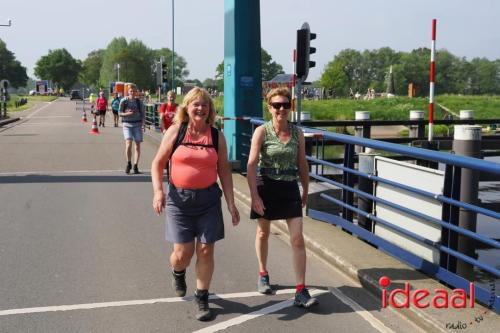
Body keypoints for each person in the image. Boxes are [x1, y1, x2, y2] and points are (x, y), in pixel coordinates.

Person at [151, 87, 240, 321]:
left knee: (205, 249)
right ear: (187, 107)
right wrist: (158, 191)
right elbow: (157, 164)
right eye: (195, 104)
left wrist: (231, 203)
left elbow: (225, 171)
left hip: (208, 201)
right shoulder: (175, 131)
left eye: (205, 105)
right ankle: (178, 271)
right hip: (179, 201)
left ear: (210, 109)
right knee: (183, 253)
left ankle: (202, 297)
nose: (200, 108)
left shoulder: (216, 136)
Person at [246, 86, 318, 309]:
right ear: (269, 108)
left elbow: (302, 163)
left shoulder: (297, 133)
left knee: (297, 238)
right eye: (276, 105)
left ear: (291, 107)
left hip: (289, 188)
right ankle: (263, 273)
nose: (281, 109)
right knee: (263, 232)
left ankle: (300, 290)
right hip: (266, 186)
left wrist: (305, 189)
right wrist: (254, 195)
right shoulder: (261, 132)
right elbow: (250, 164)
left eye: (286, 105)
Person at [119, 85, 145, 174]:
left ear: (136, 92)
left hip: (137, 124)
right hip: (127, 124)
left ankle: (135, 165)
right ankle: (128, 163)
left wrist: (143, 124)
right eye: (131, 91)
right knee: (128, 142)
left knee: (137, 145)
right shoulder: (124, 101)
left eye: (134, 91)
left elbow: (143, 114)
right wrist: (127, 114)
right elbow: (119, 113)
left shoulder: (139, 102)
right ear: (128, 92)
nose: (132, 93)